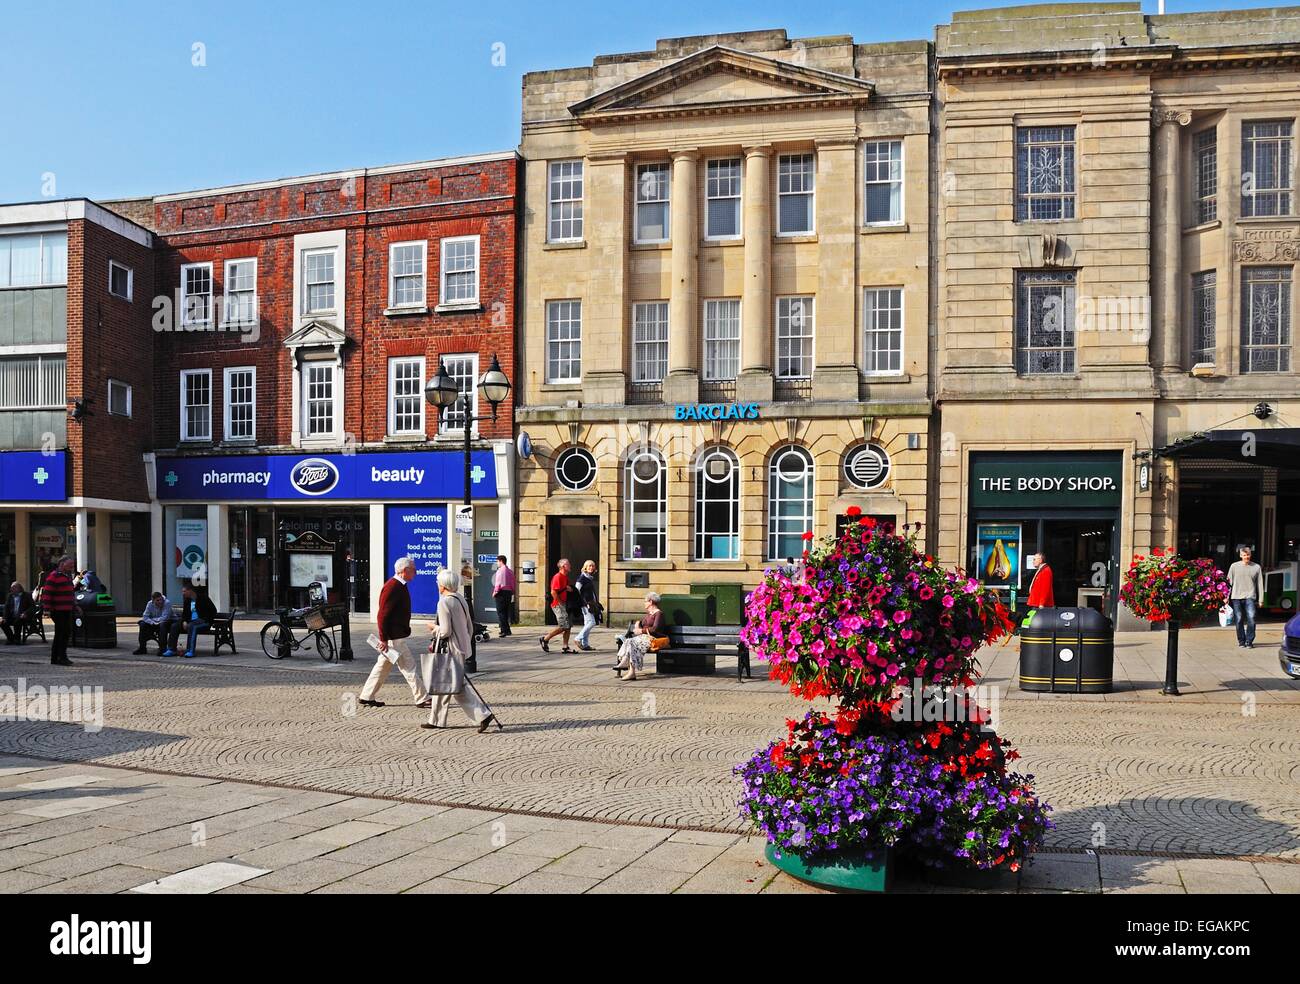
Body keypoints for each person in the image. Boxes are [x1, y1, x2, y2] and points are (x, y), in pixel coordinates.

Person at [422, 568, 500, 733]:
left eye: (438, 583)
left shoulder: (444, 602)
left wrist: (433, 628)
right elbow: (469, 626)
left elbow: (445, 631)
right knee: (450, 686)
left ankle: (482, 715)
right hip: (462, 648)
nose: (437, 585)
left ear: (443, 585)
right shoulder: (461, 599)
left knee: (449, 685)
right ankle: (437, 720)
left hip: (450, 650)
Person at [358, 557, 429, 709]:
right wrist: (383, 638)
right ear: (404, 571)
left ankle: (366, 695)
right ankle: (422, 697)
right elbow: (382, 615)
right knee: (409, 666)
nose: (415, 572)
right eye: (413, 569)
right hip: (394, 638)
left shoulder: (399, 585)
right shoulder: (392, 587)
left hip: (395, 636)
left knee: (382, 666)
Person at [613, 592, 667, 682]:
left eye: (645, 601)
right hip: (644, 638)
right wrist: (638, 623)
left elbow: (655, 629)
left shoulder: (659, 614)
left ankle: (626, 665)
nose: (644, 603)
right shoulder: (650, 614)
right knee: (629, 642)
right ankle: (629, 669)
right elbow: (643, 622)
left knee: (631, 643)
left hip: (652, 639)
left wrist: (641, 631)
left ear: (651, 601)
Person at [42, 556, 78, 666]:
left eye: (73, 565)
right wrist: (47, 609)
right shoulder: (53, 576)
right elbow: (47, 593)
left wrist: (75, 606)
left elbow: (70, 593)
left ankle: (58, 657)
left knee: (64, 633)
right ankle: (60, 657)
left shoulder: (67, 576)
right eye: (70, 564)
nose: (72, 567)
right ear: (62, 564)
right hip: (58, 610)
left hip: (66, 609)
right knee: (62, 633)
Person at [164, 583, 216, 658]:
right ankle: (171, 649)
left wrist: (205, 619)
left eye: (184, 591)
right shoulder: (187, 600)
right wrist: (184, 621)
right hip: (190, 622)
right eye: (182, 591)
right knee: (175, 626)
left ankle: (190, 650)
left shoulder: (203, 598)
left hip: (203, 622)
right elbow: (185, 614)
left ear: (190, 591)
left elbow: (213, 611)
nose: (183, 593)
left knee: (192, 626)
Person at [1227, 546, 1263, 650]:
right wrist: (1226, 596)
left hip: (1250, 596)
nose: (1246, 557)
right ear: (1240, 555)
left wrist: (1261, 599)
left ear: (1250, 555)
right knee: (1238, 619)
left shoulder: (1256, 567)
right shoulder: (1234, 566)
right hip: (1236, 596)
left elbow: (1260, 584)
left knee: (1251, 618)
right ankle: (1241, 641)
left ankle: (1249, 641)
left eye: (1248, 555)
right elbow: (1228, 582)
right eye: (1244, 555)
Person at [539, 558, 574, 653]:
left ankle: (565, 647)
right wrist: (560, 602)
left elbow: (563, 589)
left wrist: (568, 589)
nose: (570, 566)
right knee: (563, 626)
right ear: (563, 566)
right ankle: (545, 638)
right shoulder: (557, 577)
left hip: (564, 603)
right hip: (558, 604)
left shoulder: (565, 577)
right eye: (568, 564)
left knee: (568, 625)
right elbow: (553, 592)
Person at [575, 560, 601, 652]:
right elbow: (576, 590)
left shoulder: (589, 578)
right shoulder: (582, 578)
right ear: (585, 567)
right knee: (591, 622)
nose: (591, 567)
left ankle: (585, 644)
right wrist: (582, 602)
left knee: (587, 623)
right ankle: (578, 638)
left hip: (591, 603)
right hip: (585, 604)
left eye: (593, 566)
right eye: (589, 566)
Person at [491, 556, 515, 638]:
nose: (497, 563)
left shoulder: (500, 571)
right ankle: (507, 630)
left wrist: (495, 592)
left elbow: (498, 583)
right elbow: (513, 583)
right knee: (506, 611)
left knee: (501, 612)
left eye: (497, 561)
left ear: (501, 561)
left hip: (501, 593)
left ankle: (503, 630)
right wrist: (512, 591)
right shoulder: (510, 571)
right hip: (508, 592)